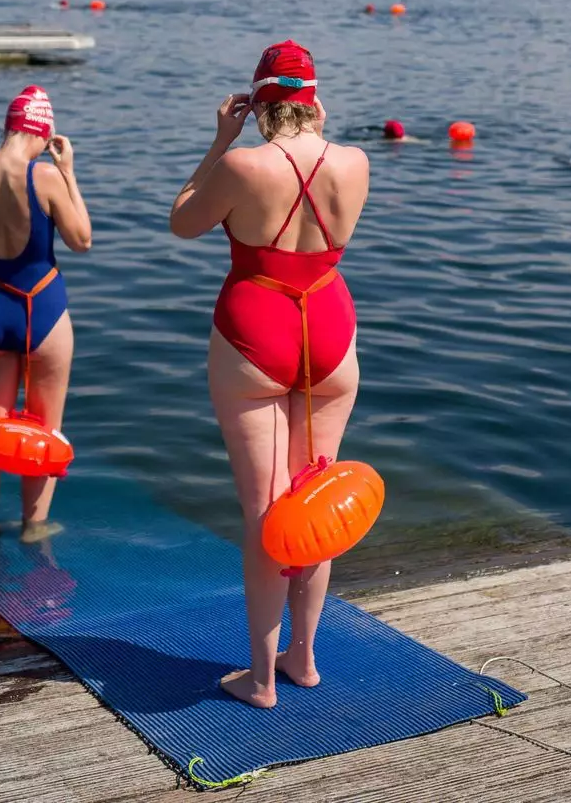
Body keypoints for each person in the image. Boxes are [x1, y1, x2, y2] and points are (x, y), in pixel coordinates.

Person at [170, 41, 371, 709]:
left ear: (258, 102)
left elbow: (183, 220)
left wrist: (219, 139)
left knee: (267, 513)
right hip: (331, 335)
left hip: (255, 333)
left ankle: (259, 677)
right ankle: (304, 657)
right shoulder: (356, 162)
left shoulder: (242, 163)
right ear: (314, 99)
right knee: (315, 505)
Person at [0, 85, 92, 542]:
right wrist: (68, 172)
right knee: (43, 436)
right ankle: (34, 535)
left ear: (9, 125)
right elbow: (82, 240)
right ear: (42, 132)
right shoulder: (45, 177)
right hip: (43, 312)